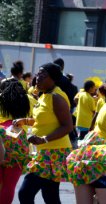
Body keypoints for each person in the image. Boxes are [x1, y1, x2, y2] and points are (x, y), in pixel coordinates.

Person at [13, 62, 73, 204]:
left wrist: (44, 139)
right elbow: (43, 120)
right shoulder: (44, 95)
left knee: (25, 193)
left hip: (53, 152)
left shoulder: (57, 98)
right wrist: (25, 120)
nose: (37, 78)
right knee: (50, 196)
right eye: (38, 74)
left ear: (53, 79)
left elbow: (68, 126)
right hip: (45, 151)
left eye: (43, 75)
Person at [0, 79, 32, 204]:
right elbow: (36, 120)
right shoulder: (28, 100)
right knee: (10, 185)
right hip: (18, 139)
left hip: (1, 135)